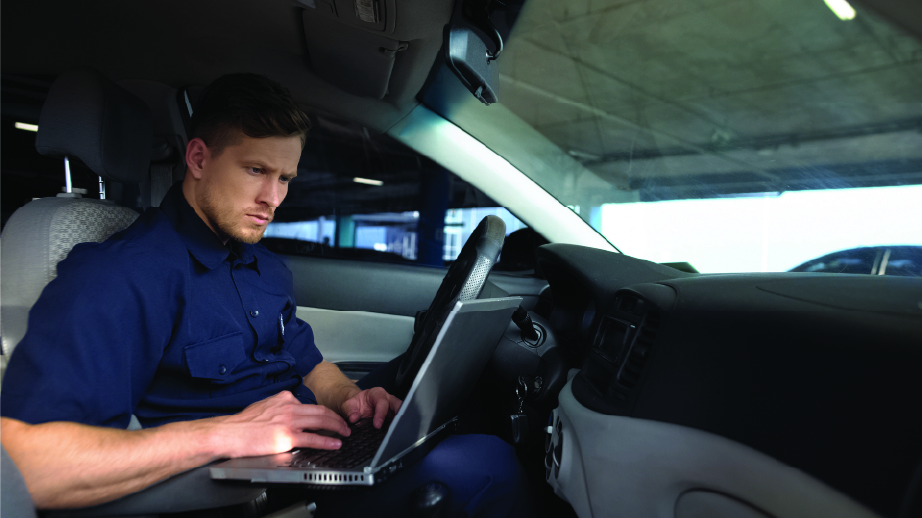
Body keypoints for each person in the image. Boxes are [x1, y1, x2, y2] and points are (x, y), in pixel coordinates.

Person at [0, 74, 530, 517]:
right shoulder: (120, 276)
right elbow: (28, 465)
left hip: (316, 458)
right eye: (256, 170)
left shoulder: (263, 266)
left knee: (469, 420)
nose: (272, 199)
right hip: (251, 496)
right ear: (199, 158)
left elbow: (308, 364)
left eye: (285, 179)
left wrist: (348, 398)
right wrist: (226, 434)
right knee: (484, 463)